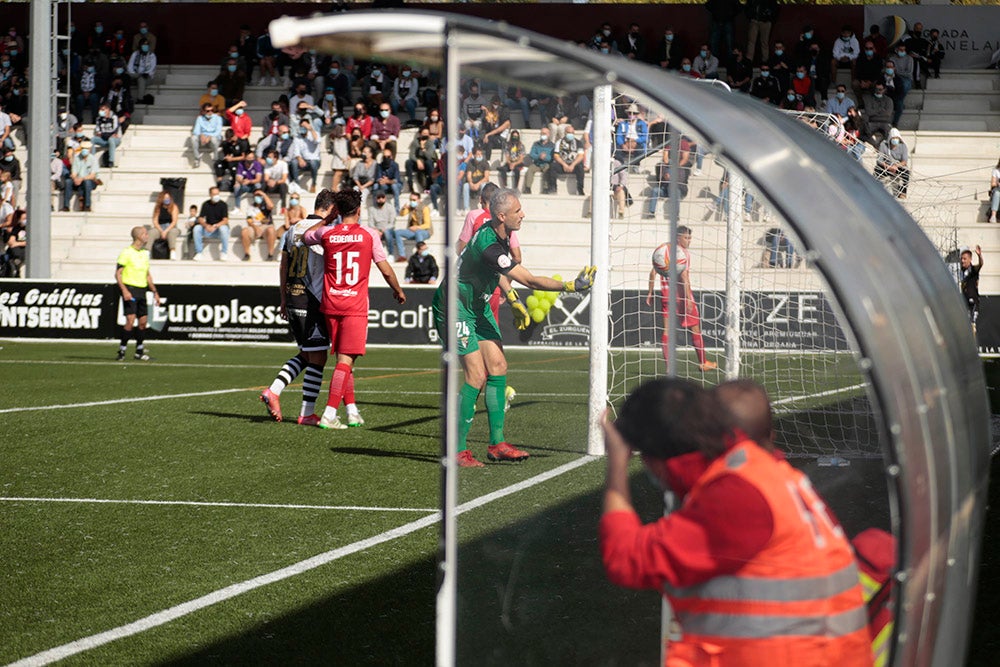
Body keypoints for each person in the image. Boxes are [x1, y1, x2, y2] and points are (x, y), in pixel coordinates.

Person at [600, 377, 873, 666]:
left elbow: (626, 558)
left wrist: (617, 465)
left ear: (656, 459)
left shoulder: (737, 496)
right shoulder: (758, 468)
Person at [432, 188, 597, 467]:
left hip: (477, 305)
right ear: (501, 215)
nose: (523, 214)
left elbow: (494, 272)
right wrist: (571, 286)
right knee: (476, 375)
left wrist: (511, 297)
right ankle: (456, 450)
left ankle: (497, 444)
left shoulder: (498, 234)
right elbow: (529, 280)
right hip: (455, 307)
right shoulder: (490, 244)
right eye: (518, 211)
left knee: (498, 367)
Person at [302, 189, 406, 429]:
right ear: (359, 210)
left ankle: (352, 411)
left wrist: (328, 219)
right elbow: (385, 268)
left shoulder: (327, 233)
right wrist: (398, 291)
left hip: (331, 304)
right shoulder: (368, 234)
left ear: (338, 211)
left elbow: (306, 236)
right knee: (346, 361)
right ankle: (329, 413)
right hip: (354, 306)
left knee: (343, 359)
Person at [260, 189, 337, 425]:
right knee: (318, 357)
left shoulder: (293, 229)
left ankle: (274, 391)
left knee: (307, 353)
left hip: (293, 297)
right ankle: (306, 412)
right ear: (330, 209)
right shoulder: (324, 231)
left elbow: (283, 265)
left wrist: (283, 297)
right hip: (311, 300)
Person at [647, 226, 717, 372]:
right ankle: (703, 362)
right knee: (695, 328)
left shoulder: (663, 250)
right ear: (678, 237)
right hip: (681, 297)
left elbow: (653, 272)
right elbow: (684, 277)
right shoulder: (682, 254)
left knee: (667, 330)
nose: (689, 241)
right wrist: (688, 298)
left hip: (666, 296)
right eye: (686, 238)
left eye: (690, 238)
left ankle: (669, 367)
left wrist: (650, 292)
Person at [115, 226, 161, 361]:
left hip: (142, 290)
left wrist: (155, 292)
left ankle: (139, 351)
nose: (147, 236)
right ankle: (122, 350)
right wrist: (124, 290)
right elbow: (118, 273)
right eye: (146, 234)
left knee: (143, 322)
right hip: (131, 289)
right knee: (130, 320)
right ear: (139, 236)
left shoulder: (145, 253)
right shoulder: (127, 252)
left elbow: (147, 275)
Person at [389, 192, 433, 262]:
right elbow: (402, 214)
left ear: (419, 200)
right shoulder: (411, 208)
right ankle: (402, 255)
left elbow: (427, 225)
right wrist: (403, 208)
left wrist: (417, 227)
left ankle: (421, 254)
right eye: (411, 199)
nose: (412, 201)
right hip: (413, 231)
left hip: (425, 231)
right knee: (397, 232)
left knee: (418, 233)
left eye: (414, 200)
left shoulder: (425, 208)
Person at [193, 186, 230, 261]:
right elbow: (200, 218)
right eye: (214, 194)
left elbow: (225, 220)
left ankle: (224, 252)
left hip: (219, 230)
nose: (216, 196)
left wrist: (216, 226)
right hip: (208, 229)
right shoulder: (206, 204)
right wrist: (206, 226)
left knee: (224, 229)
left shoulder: (223, 204)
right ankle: (199, 252)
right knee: (197, 228)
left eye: (217, 194)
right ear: (210, 195)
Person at [241, 189, 278, 260]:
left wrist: (264, 194)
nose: (258, 197)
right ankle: (247, 254)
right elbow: (249, 220)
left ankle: (270, 254)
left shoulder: (266, 206)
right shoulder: (250, 207)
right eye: (256, 195)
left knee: (271, 230)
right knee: (244, 231)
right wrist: (256, 228)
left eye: (259, 195)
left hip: (266, 226)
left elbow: (271, 206)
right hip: (254, 226)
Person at [61, 140, 99, 212]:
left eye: (86, 148)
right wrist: (75, 178)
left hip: (89, 180)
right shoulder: (77, 158)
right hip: (78, 179)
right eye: (83, 148)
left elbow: (92, 175)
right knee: (68, 182)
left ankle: (87, 205)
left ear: (90, 149)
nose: (85, 150)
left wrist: (81, 179)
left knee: (87, 182)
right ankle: (66, 206)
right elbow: (74, 172)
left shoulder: (93, 159)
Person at [874, 128, 909, 199]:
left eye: (897, 138)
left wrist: (896, 166)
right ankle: (874, 188)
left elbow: (904, 161)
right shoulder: (883, 145)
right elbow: (879, 160)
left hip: (897, 167)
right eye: (893, 138)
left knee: (906, 174)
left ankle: (902, 192)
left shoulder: (903, 146)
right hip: (886, 166)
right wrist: (888, 167)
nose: (895, 140)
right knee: (877, 170)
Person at [188, 103, 223, 169]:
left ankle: (216, 158)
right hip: (203, 138)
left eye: (212, 110)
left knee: (214, 139)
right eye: (208, 111)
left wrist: (209, 136)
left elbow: (218, 132)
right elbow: (196, 130)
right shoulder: (200, 118)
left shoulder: (218, 118)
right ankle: (197, 158)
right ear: (203, 111)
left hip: (213, 138)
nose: (210, 112)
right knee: (193, 138)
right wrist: (201, 134)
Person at [148, 191, 179, 259]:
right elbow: (155, 221)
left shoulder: (174, 207)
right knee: (151, 232)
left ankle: (172, 252)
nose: (167, 199)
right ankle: (147, 252)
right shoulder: (158, 208)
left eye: (168, 197)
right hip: (160, 227)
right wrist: (161, 231)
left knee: (172, 233)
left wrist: (166, 231)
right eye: (165, 198)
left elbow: (174, 221)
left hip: (171, 227)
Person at [523, 129, 554, 195]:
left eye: (545, 133)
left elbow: (552, 157)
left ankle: (545, 188)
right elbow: (532, 154)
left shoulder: (552, 145)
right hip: (537, 163)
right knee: (530, 169)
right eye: (542, 133)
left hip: (546, 164)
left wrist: (545, 157)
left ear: (549, 134)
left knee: (547, 169)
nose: (543, 135)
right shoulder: (536, 144)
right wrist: (539, 156)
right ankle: (528, 188)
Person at [960, 245, 983, 334]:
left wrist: (979, 256)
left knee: (971, 325)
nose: (962, 261)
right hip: (964, 303)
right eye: (962, 259)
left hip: (973, 303)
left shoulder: (974, 270)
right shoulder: (961, 271)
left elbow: (980, 264)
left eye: (965, 259)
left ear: (970, 259)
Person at [987, 157, 999, 223]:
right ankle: (993, 216)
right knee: (997, 193)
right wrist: (997, 183)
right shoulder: (996, 170)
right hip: (998, 189)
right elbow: (992, 184)